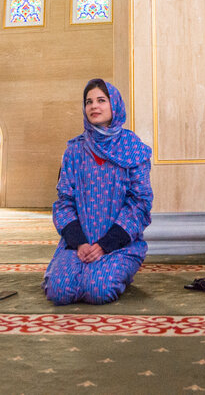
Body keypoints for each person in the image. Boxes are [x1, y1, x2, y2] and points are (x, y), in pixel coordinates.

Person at [43, 79, 152, 306]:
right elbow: (64, 202)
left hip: (119, 244)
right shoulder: (74, 151)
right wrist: (80, 242)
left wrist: (105, 244)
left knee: (98, 290)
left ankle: (118, 270)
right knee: (59, 292)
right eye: (89, 101)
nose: (94, 106)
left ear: (115, 106)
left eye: (101, 100)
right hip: (78, 244)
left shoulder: (132, 148)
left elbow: (140, 204)